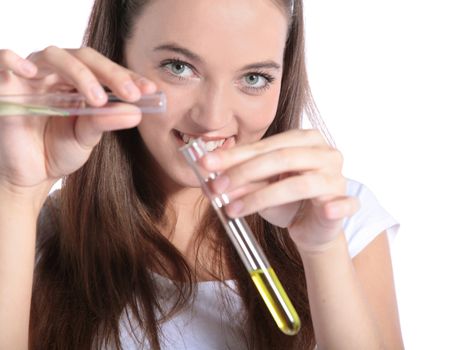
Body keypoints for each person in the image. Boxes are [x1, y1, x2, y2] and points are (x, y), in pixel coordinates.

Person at [0, 0, 404, 349]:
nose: (212, 118)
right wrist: (16, 192)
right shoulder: (33, 233)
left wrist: (321, 251)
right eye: (179, 67)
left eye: (254, 78)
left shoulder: (341, 217)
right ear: (118, 58)